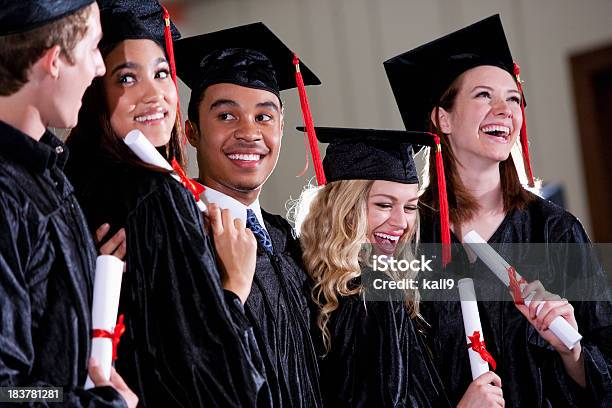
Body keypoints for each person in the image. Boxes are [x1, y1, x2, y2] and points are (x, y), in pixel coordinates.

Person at [384, 14, 612, 407]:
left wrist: (570, 352)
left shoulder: (554, 231)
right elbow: (391, 378)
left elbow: (606, 369)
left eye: (513, 98)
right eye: (484, 95)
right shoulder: (408, 236)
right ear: (443, 118)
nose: (505, 110)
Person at [65, 1, 266, 406]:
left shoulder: (76, 187)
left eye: (160, 73)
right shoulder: (154, 193)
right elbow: (203, 371)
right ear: (93, 90)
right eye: (126, 78)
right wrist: (234, 287)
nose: (153, 93)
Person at [296, 126, 506, 407]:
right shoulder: (376, 294)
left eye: (409, 207)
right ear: (345, 208)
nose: (401, 223)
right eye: (384, 204)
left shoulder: (311, 278)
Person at [175, 23, 323, 407]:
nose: (249, 133)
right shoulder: (179, 231)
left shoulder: (285, 238)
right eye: (226, 116)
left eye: (264, 117)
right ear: (191, 132)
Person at [0, 1, 137, 406]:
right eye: (94, 47)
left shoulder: (48, 173)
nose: (99, 67)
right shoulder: (7, 195)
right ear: (54, 60)